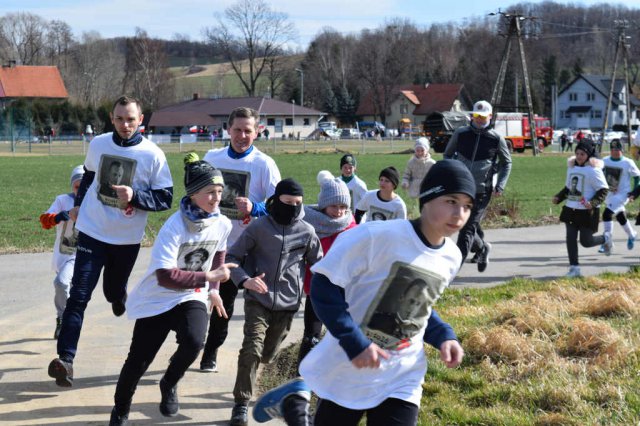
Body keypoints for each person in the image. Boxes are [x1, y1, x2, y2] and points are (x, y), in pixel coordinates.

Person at [252, 159, 474, 426]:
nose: (459, 212)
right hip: (350, 366)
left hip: (402, 375)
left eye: (467, 205)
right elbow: (323, 284)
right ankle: (293, 405)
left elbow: (416, 308)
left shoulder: (451, 257)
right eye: (451, 201)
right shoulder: (377, 237)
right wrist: (353, 341)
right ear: (427, 199)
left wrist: (443, 336)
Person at [48, 95, 174, 388]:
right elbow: (90, 177)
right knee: (78, 297)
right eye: (119, 119)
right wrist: (79, 207)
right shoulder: (98, 144)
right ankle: (65, 360)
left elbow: (165, 197)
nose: (125, 125)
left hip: (126, 239)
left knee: (112, 290)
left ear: (140, 119)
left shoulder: (153, 154)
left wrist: (136, 197)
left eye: (131, 119)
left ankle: (119, 296)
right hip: (92, 231)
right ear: (111, 118)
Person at [109, 154, 234, 426]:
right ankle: (120, 411)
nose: (216, 198)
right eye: (210, 192)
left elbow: (219, 253)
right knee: (138, 362)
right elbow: (166, 277)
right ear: (193, 194)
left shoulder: (222, 222)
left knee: (194, 340)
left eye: (219, 192)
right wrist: (210, 276)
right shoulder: (174, 227)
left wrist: (213, 289)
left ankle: (169, 382)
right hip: (158, 298)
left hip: (191, 295)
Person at [226, 178, 323, 426]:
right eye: (287, 202)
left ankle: (262, 375)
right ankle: (241, 404)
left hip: (288, 304)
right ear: (276, 200)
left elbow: (321, 266)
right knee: (252, 349)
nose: (291, 207)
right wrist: (245, 280)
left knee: (267, 355)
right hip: (257, 298)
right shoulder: (258, 228)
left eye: (297, 203)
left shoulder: (307, 232)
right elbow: (232, 257)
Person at [200, 107, 281, 373]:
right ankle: (207, 350)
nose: (242, 135)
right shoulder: (213, 157)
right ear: (228, 130)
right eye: (237, 129)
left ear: (257, 132)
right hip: (216, 244)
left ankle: (247, 355)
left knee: (249, 304)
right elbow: (196, 193)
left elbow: (280, 205)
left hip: (250, 247)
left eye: (248, 130)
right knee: (218, 299)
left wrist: (255, 208)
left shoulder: (263, 164)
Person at [444, 100, 512, 272]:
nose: (480, 120)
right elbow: (447, 154)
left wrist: (500, 185)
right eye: (477, 116)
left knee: (466, 229)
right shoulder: (461, 133)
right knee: (464, 225)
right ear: (472, 116)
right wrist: (452, 174)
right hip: (461, 189)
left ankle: (453, 271)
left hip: (482, 190)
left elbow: (507, 162)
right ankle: (482, 248)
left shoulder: (496, 139)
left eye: (483, 117)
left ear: (490, 117)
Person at [297, 171, 357, 365]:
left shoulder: (351, 225)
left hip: (343, 290)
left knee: (339, 334)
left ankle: (335, 374)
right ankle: (300, 379)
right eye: (334, 206)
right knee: (311, 334)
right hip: (316, 289)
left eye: (343, 206)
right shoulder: (308, 223)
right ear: (323, 204)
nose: (339, 212)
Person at [552, 139, 611, 277]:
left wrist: (593, 202)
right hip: (571, 210)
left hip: (587, 212)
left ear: (589, 156)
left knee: (586, 241)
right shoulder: (572, 168)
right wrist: (559, 197)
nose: (578, 156)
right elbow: (568, 188)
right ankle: (574, 268)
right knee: (570, 239)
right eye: (577, 153)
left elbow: (603, 189)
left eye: (582, 154)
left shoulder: (593, 170)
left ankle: (606, 238)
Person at [39, 165, 85, 339]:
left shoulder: (94, 203)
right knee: (64, 286)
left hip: (83, 255)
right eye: (77, 186)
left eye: (84, 186)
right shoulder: (62, 201)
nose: (80, 190)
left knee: (63, 284)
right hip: (65, 255)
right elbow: (44, 220)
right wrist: (58, 217)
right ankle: (63, 318)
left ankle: (67, 322)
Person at [598, 140, 640, 253]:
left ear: (622, 150)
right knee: (620, 215)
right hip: (609, 194)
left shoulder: (628, 162)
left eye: (617, 149)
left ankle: (607, 242)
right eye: (612, 149)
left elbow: (637, 177)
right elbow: (598, 175)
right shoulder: (604, 161)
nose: (615, 152)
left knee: (607, 214)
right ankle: (632, 234)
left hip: (623, 194)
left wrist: (633, 193)